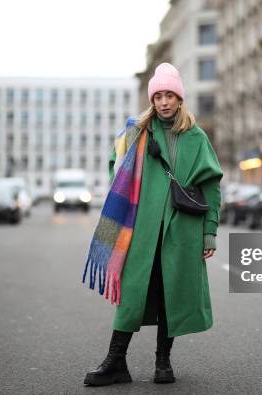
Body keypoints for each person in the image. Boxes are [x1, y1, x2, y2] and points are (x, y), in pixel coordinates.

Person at [83, 63, 223, 386]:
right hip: (141, 229)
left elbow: (212, 186)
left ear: (179, 98)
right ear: (152, 99)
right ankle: (116, 361)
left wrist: (209, 231)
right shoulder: (137, 132)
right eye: (158, 95)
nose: (163, 102)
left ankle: (163, 362)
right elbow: (115, 167)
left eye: (169, 95)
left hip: (182, 229)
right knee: (132, 293)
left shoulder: (196, 137)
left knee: (169, 294)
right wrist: (126, 193)